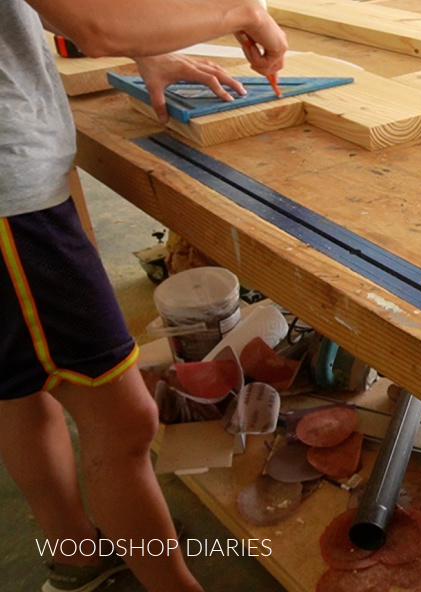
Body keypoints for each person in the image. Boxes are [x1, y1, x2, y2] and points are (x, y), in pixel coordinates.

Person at [1, 0, 287, 590]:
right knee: (127, 422)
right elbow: (96, 21)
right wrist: (245, 12)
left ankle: (76, 553)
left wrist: (147, 49)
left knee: (22, 390)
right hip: (12, 211)